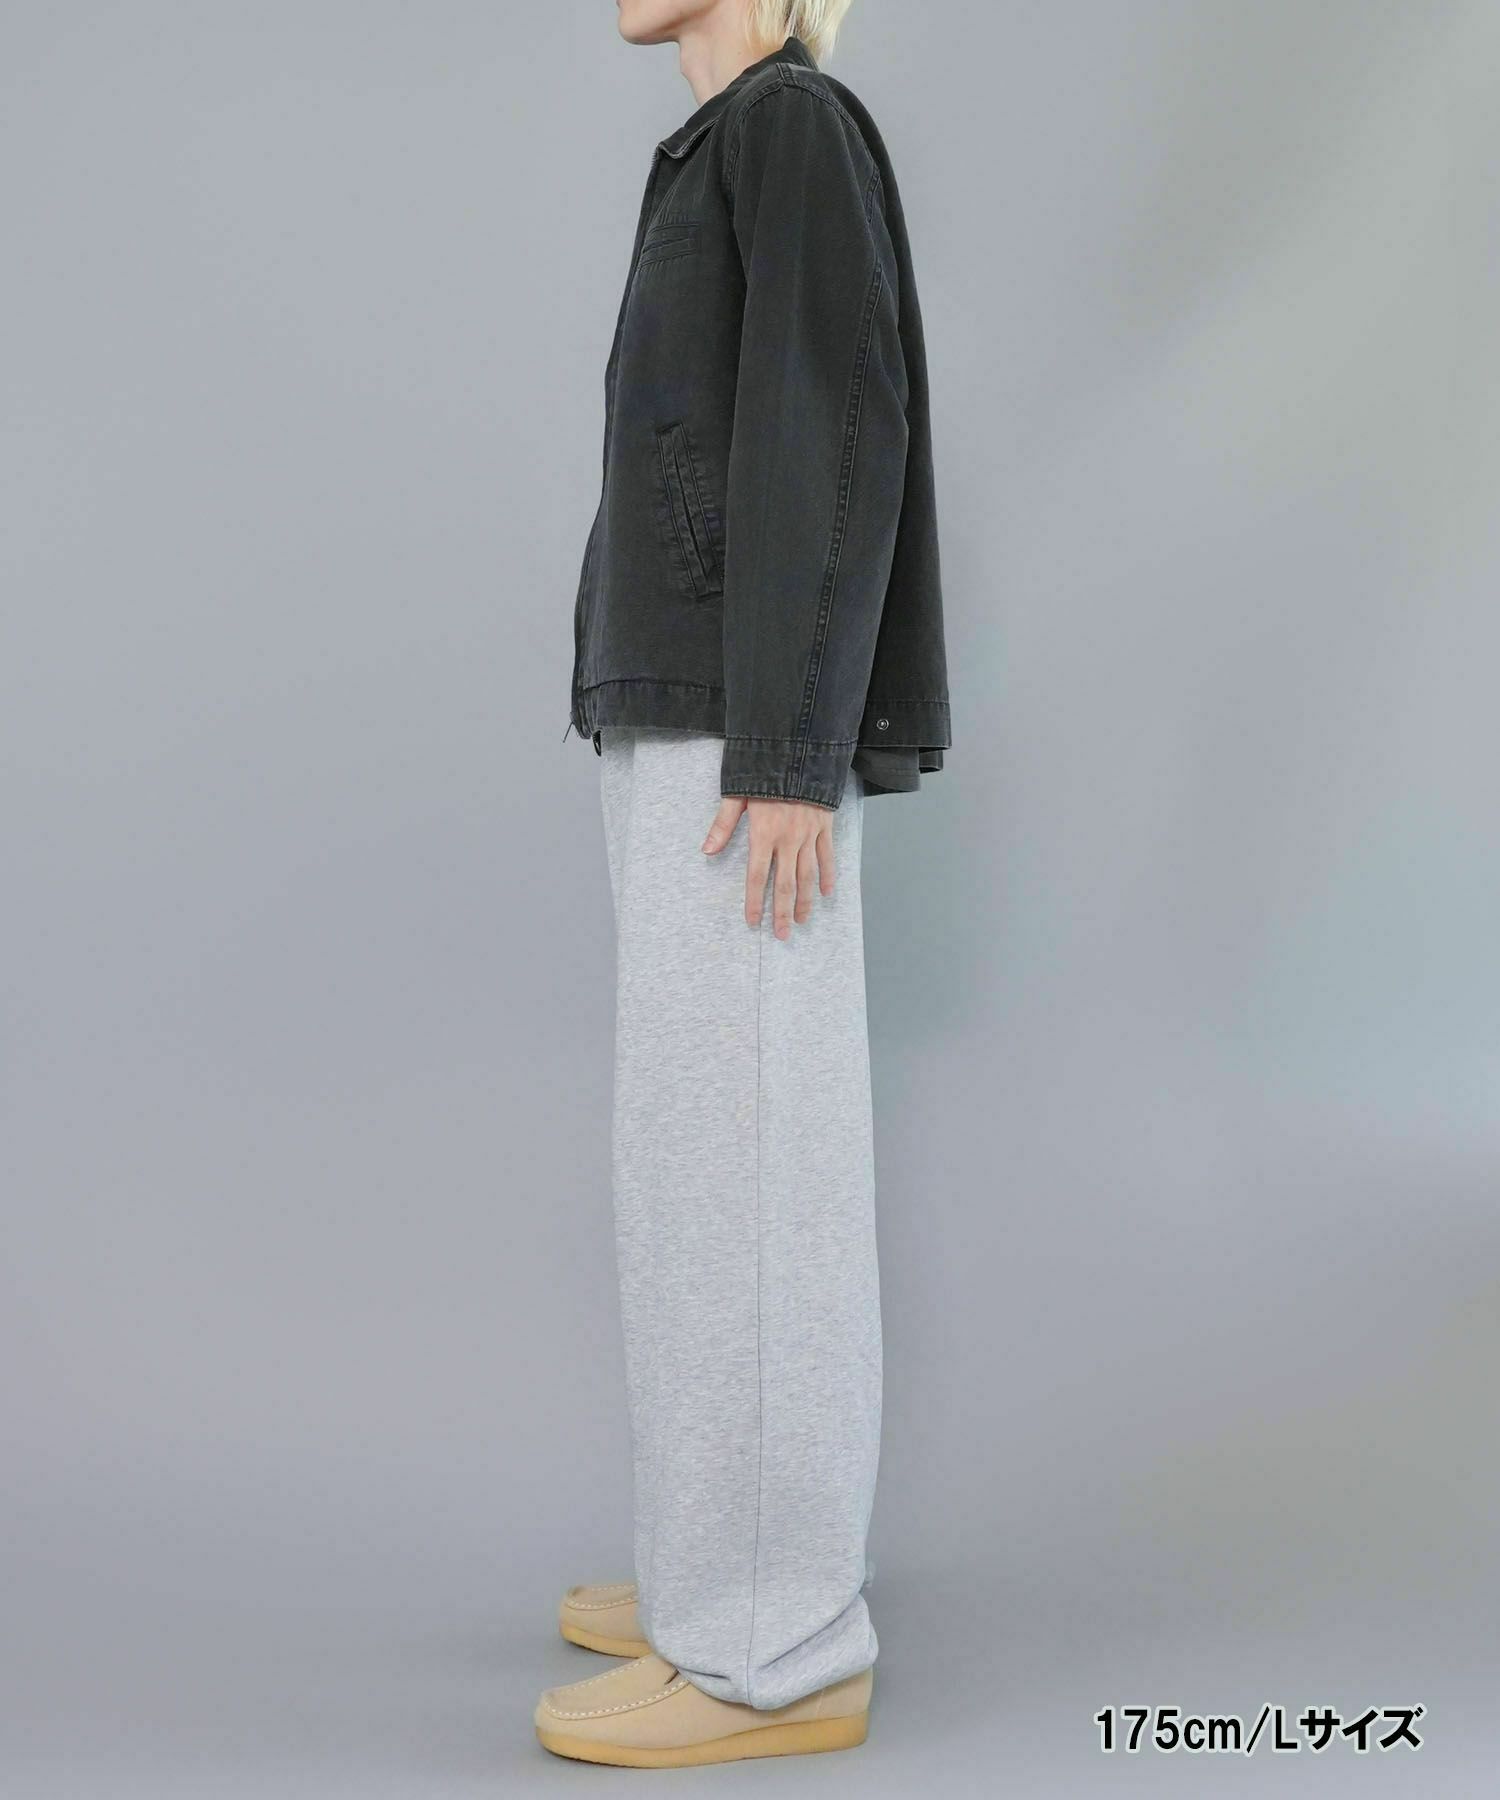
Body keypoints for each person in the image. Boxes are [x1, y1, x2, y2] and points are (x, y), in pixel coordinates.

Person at [537, 0, 950, 1767]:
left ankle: (775, 1641)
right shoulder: (727, 141)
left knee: (752, 1175)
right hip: (692, 722)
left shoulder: (791, 127)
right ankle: (715, 1569)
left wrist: (786, 747)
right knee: (695, 1161)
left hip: (737, 747)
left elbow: (832, 431)